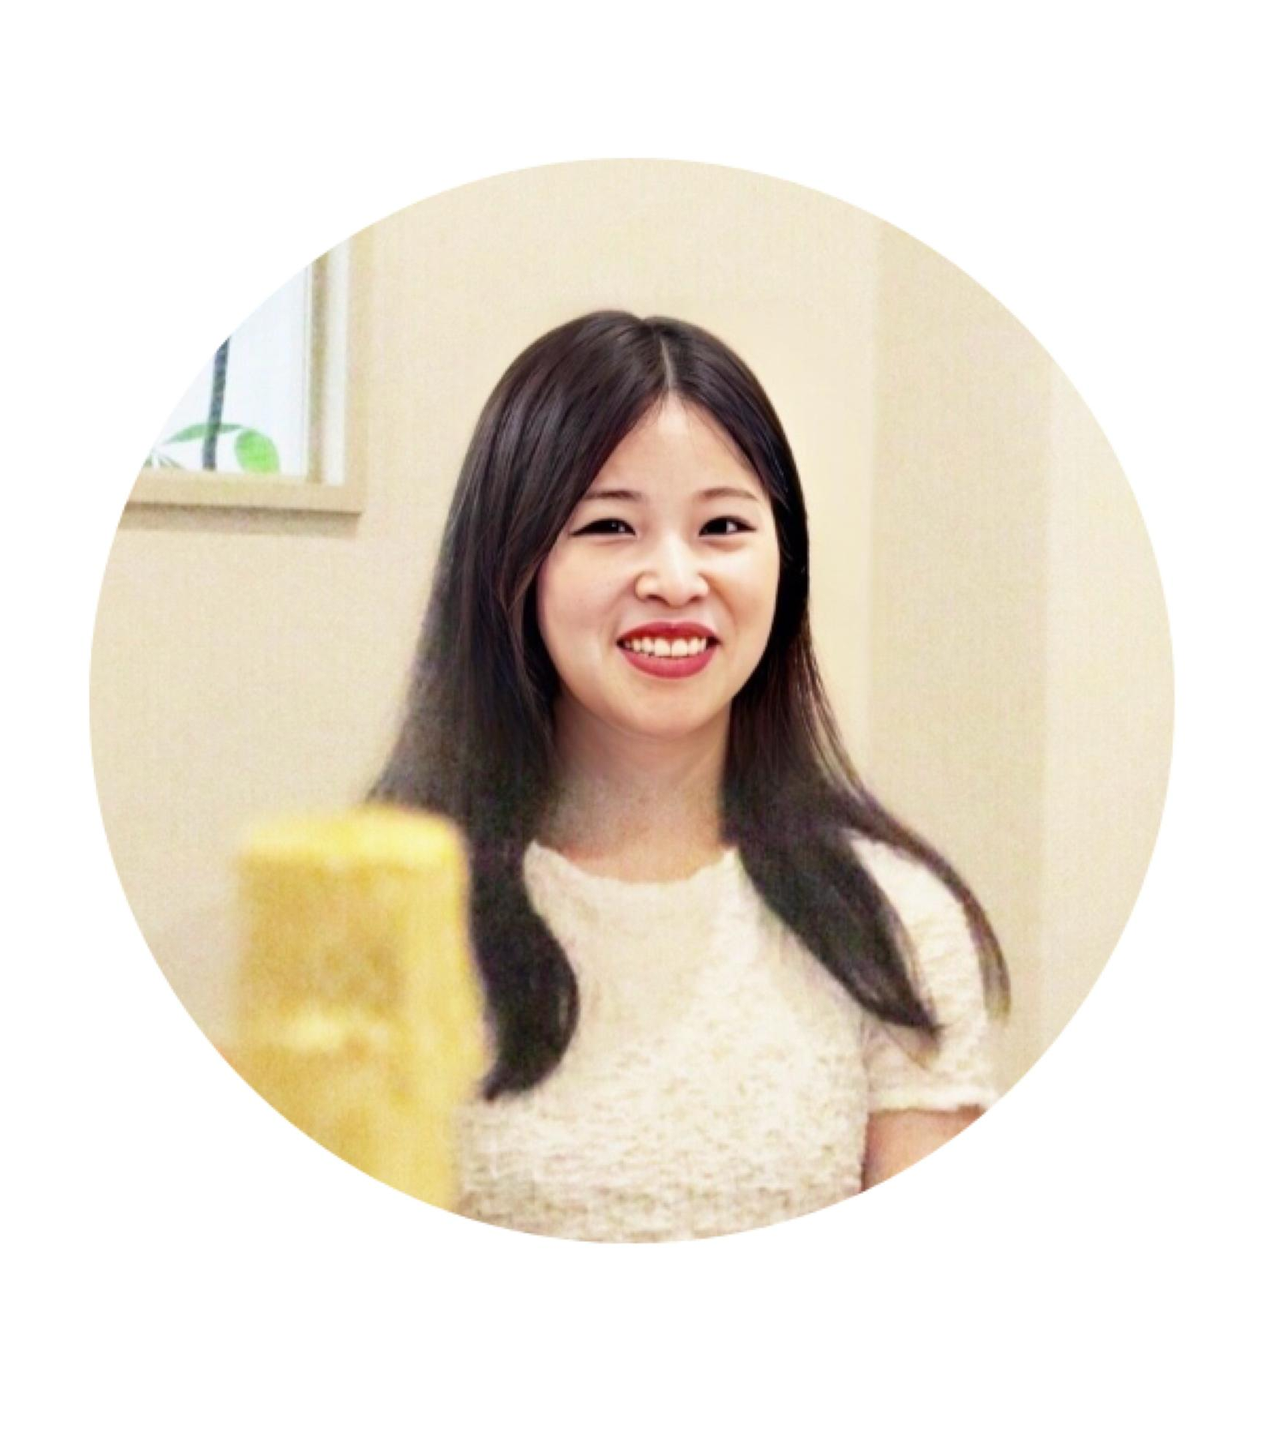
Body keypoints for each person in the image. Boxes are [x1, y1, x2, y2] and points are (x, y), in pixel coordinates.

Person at [369, 310, 1010, 1242]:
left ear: (784, 562)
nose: (674, 579)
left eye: (722, 526)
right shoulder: (388, 912)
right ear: (510, 565)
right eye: (609, 525)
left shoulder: (893, 923)